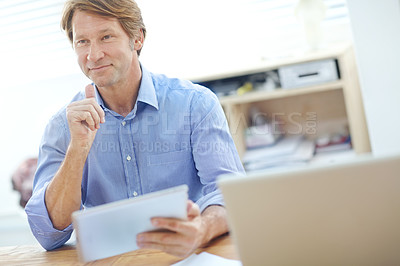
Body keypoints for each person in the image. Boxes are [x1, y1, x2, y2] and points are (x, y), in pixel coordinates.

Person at [25, 0, 244, 258]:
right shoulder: (63, 126)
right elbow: (48, 233)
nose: (93, 55)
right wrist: (77, 150)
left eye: (106, 37)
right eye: (82, 42)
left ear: (137, 38)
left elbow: (230, 194)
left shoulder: (195, 105)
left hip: (188, 257)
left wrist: (201, 228)